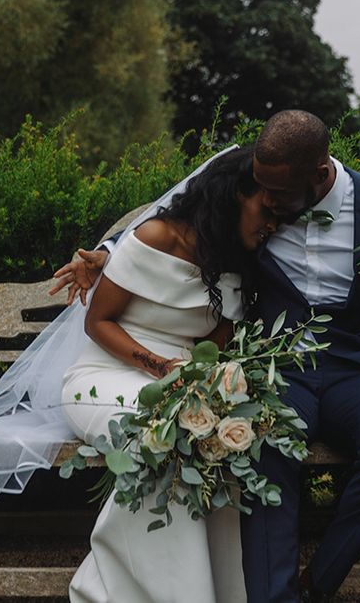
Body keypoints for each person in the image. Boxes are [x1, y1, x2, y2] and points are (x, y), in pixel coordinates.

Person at [57, 110, 360, 602]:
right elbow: (189, 212)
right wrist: (108, 251)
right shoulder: (258, 195)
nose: (267, 202)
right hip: (279, 369)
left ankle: (319, 582)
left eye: (278, 196)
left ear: (318, 174)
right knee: (261, 449)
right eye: (261, 193)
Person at [60, 145, 275, 603]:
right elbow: (97, 322)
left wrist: (206, 382)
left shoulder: (237, 261)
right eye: (266, 207)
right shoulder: (155, 236)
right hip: (106, 375)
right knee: (160, 436)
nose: (272, 222)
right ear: (236, 194)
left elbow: (215, 343)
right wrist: (161, 368)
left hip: (179, 383)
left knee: (215, 446)